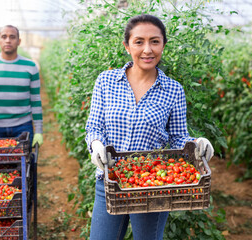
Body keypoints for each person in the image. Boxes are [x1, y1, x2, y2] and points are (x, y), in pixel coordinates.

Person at [85, 14, 214, 240]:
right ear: (127, 46)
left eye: (155, 41)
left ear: (163, 44)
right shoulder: (105, 81)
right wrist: (96, 144)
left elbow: (177, 138)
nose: (148, 49)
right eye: (139, 42)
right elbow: (94, 126)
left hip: (151, 186)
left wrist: (196, 143)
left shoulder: (173, 90)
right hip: (109, 181)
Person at [0, 25, 43, 150]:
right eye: (4, 37)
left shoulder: (30, 66)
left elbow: (35, 100)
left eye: (12, 37)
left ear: (19, 41)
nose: (8, 40)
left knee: (25, 165)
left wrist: (38, 130)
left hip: (23, 127)